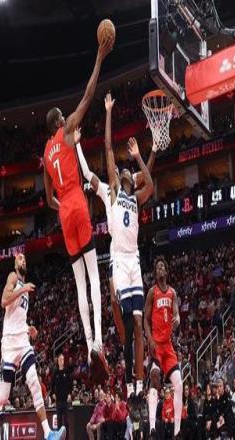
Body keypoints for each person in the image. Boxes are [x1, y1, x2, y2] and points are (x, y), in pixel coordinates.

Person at [43, 35, 113, 380]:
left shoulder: (45, 153)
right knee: (94, 277)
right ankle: (98, 341)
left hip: (62, 213)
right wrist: (99, 58)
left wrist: (61, 205)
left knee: (78, 283)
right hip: (76, 203)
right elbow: (88, 95)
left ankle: (87, 347)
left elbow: (47, 199)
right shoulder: (67, 131)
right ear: (61, 122)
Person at [74, 95, 156, 386]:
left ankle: (137, 378)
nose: (123, 171)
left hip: (134, 258)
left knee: (137, 321)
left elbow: (150, 182)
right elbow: (107, 149)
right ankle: (127, 362)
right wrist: (108, 112)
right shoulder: (111, 190)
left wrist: (141, 155)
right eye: (121, 170)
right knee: (120, 311)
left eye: (127, 171)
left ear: (131, 178)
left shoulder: (136, 195)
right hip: (118, 258)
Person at [0, 254, 65, 440]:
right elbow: (4, 301)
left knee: (34, 381)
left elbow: (17, 316)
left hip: (22, 341)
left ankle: (48, 433)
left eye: (25, 259)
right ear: (15, 264)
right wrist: (22, 290)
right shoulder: (13, 277)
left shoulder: (25, 288)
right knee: (3, 396)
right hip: (9, 343)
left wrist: (28, 328)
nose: (24, 260)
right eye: (20, 259)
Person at [144, 257, 183, 439]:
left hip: (168, 346)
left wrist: (178, 318)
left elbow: (176, 313)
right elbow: (145, 319)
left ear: (166, 271)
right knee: (154, 377)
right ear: (155, 273)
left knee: (179, 384)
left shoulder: (172, 293)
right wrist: (150, 339)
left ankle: (177, 431)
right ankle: (152, 428)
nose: (160, 269)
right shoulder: (152, 292)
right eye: (157, 267)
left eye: (162, 267)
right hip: (155, 345)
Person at [52, 353, 71, 430]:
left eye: (62, 359)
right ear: (58, 361)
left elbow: (70, 383)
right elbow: (52, 385)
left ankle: (67, 436)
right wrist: (53, 393)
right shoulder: (55, 372)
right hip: (58, 400)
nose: (61, 361)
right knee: (59, 420)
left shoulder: (67, 371)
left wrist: (69, 394)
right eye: (60, 359)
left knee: (66, 421)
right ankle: (59, 436)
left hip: (65, 400)